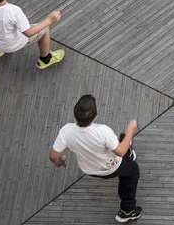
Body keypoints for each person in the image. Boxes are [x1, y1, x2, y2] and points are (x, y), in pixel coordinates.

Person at [49, 95, 142, 223]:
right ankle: (127, 211)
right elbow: (120, 152)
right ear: (96, 115)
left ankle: (128, 153)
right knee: (132, 171)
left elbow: (53, 156)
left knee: (122, 144)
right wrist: (131, 130)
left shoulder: (66, 131)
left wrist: (60, 161)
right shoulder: (102, 131)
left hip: (89, 169)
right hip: (112, 166)